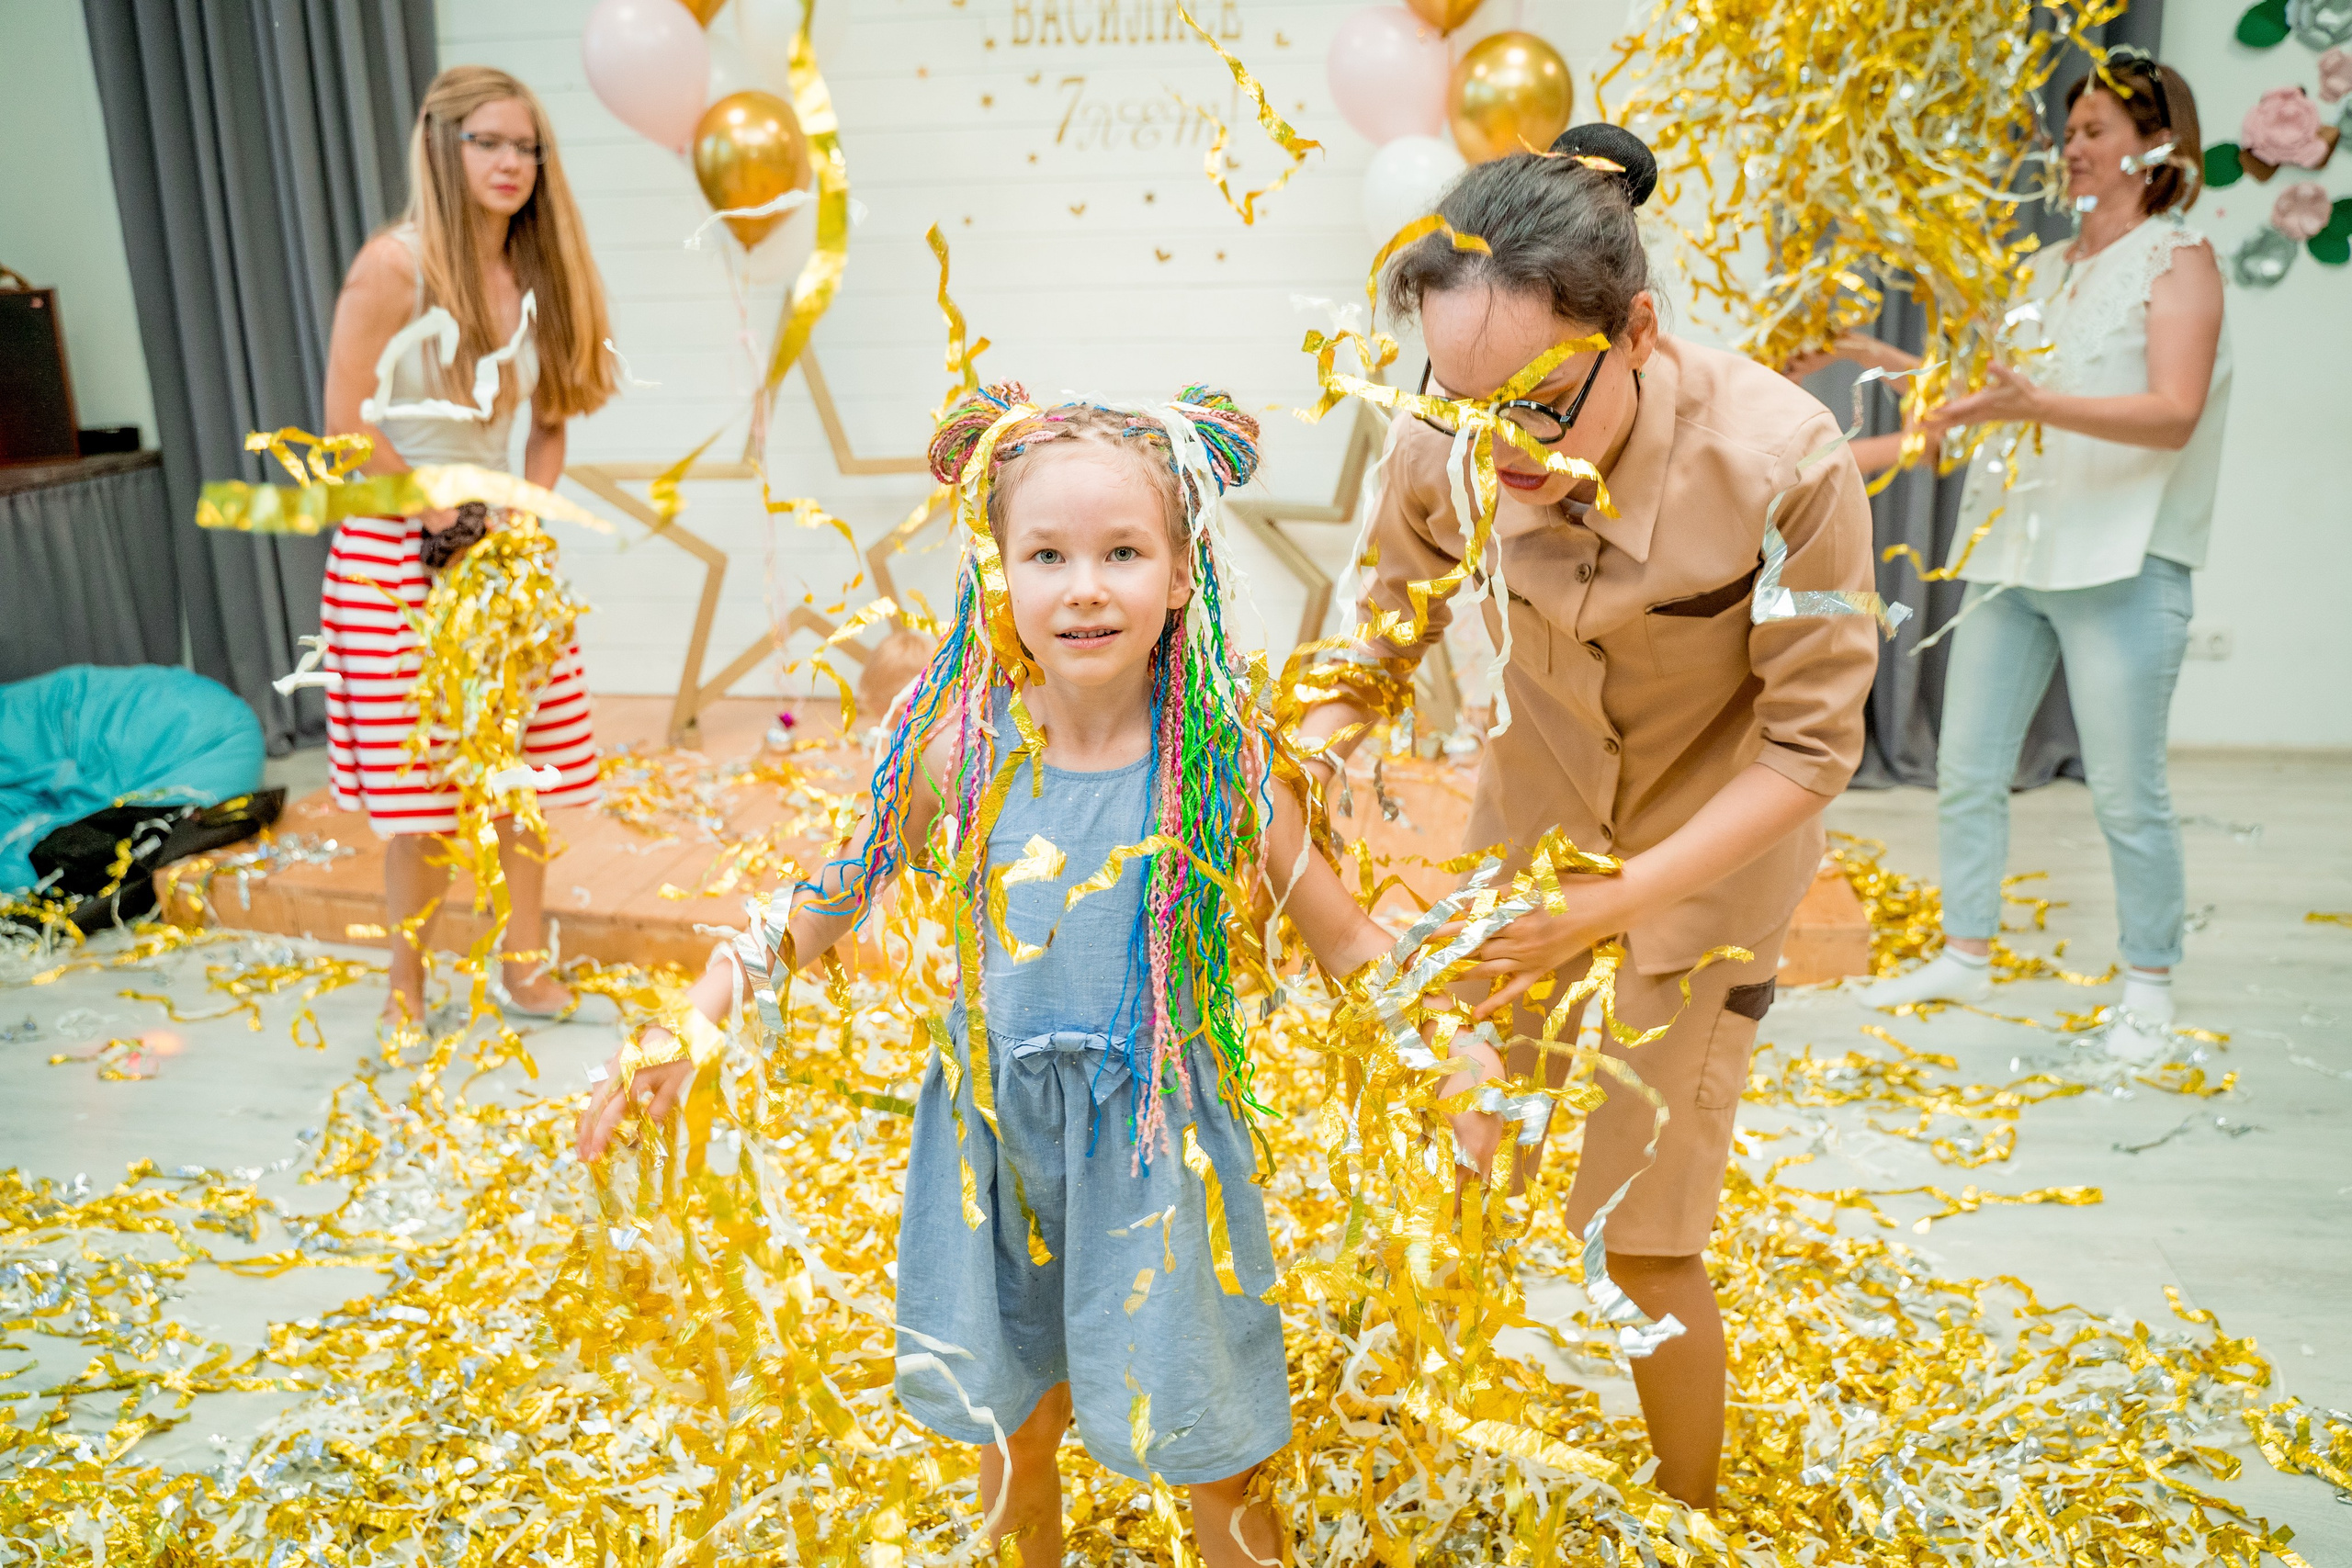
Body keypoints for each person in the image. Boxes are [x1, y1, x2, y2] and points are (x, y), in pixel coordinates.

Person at [576, 385, 1504, 1564]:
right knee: (1017, 1434)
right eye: (1047, 553)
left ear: (1179, 574)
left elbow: (1346, 941)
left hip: (1160, 1158)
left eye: (1122, 552)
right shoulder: (958, 747)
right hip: (991, 1160)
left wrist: (1443, 1045)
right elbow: (823, 896)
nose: (1083, 586)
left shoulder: (1224, 770)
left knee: (1213, 1450)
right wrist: (696, 1019)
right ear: (997, 571)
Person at [1294, 122, 1883, 1508]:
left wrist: (1616, 906)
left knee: (1644, 1236)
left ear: (1638, 333)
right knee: (1457, 1161)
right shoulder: (1453, 440)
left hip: (1704, 873)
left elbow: (1809, 751)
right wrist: (1314, 746)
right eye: (1461, 400)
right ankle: (1409, 1456)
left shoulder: (1789, 463)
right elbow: (1379, 633)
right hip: (1529, 845)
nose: (1499, 446)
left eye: (1540, 407)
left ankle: (1692, 1508)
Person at [1852, 52, 2228, 1062]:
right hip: (2014, 549)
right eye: (2069, 132)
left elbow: (2172, 413)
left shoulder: (2178, 259)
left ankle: (2148, 981)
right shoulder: (2045, 271)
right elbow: (1987, 396)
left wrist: (2034, 404)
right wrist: (1874, 358)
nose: (2071, 149)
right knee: (1967, 769)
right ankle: (1963, 952)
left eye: (2093, 131)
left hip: (2124, 563)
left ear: (2153, 147)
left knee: (2124, 790)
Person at [319, 65, 616, 1029]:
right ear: (442, 148)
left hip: (499, 562)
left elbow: (554, 419)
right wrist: (435, 515)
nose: (511, 163)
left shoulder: (537, 272)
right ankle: (404, 981)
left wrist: (517, 517)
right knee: (427, 798)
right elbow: (341, 424)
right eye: (488, 141)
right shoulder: (391, 267)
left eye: (525, 146)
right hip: (395, 556)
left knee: (516, 784)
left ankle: (522, 966)